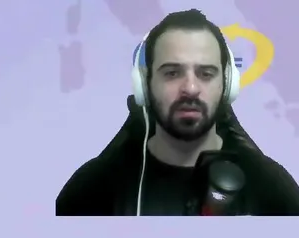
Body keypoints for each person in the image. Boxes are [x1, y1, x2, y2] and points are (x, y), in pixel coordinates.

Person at [56, 9, 299, 216]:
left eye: (206, 74)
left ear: (227, 85)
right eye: (172, 73)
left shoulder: (273, 192)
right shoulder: (91, 193)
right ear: (145, 85)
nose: (190, 88)